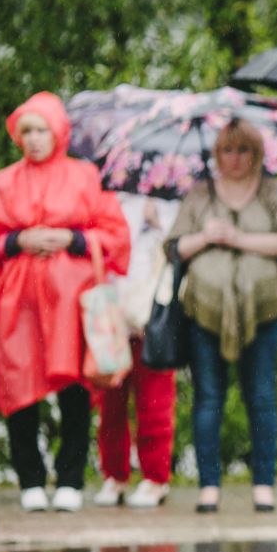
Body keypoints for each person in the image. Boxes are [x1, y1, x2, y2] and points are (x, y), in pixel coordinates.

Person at [0, 91, 129, 512]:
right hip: (17, 304)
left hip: (72, 305)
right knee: (19, 385)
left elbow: (116, 235)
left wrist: (73, 238)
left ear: (59, 132)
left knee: (75, 387)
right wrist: (17, 240)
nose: (32, 139)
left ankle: (70, 478)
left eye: (40, 129)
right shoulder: (2, 183)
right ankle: (29, 478)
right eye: (25, 131)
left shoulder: (85, 177)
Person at [165, 118, 277, 513]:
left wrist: (241, 239)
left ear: (257, 153)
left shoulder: (273, 191)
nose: (236, 158)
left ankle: (264, 484)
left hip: (261, 307)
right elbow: (173, 248)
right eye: (228, 150)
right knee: (208, 396)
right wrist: (206, 236)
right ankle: (209, 485)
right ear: (216, 154)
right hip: (204, 308)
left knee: (260, 395)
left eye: (244, 149)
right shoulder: (200, 193)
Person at [94, 194, 181, 508]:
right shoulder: (108, 200)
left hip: (153, 314)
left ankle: (155, 477)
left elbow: (179, 253)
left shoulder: (170, 203)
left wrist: (159, 224)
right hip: (112, 313)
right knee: (110, 402)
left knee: (155, 401)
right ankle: (114, 474)